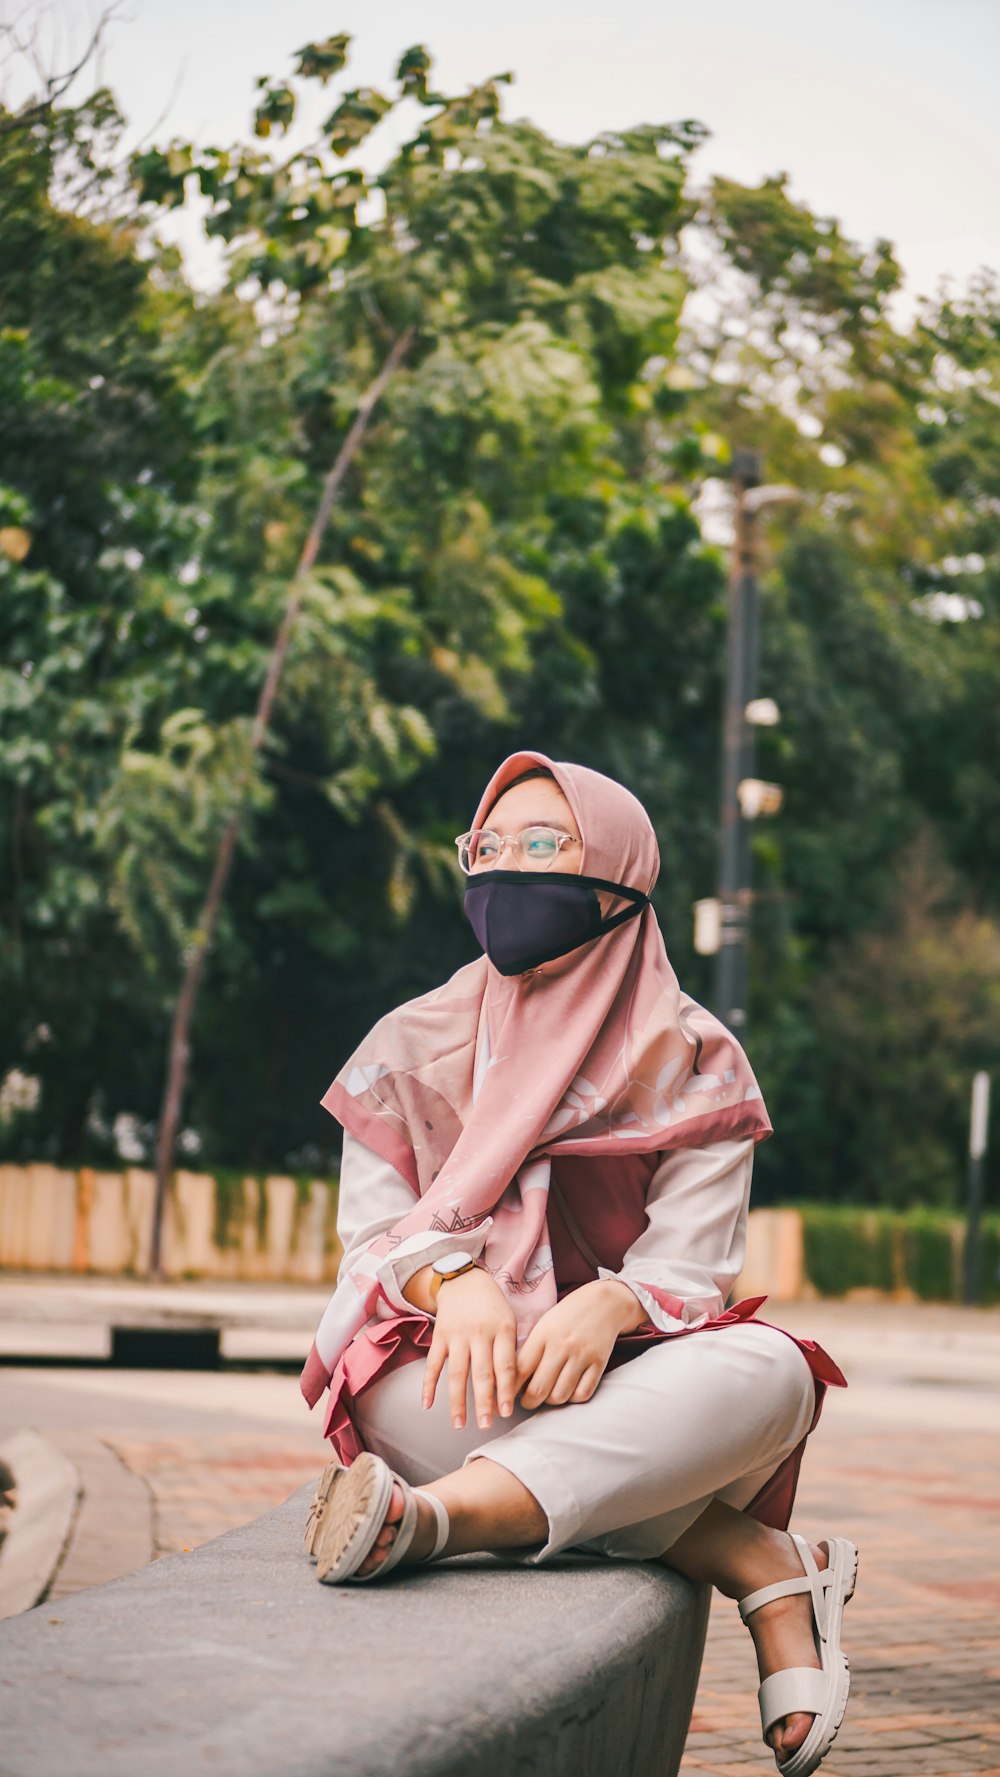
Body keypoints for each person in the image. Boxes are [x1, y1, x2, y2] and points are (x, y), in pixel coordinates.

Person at [301, 751, 857, 1777]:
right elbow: (367, 1253)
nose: (506, 871)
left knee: (772, 1371)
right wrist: (453, 1282)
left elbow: (691, 1273)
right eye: (487, 848)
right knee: (379, 1389)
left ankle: (438, 1519)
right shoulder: (407, 1046)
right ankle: (757, 1561)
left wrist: (606, 1307)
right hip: (467, 1381)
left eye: (544, 846)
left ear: (620, 872)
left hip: (639, 1377)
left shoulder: (694, 1060)